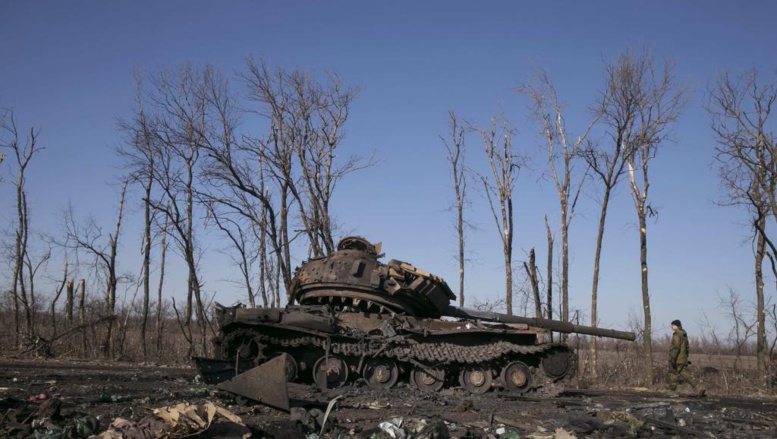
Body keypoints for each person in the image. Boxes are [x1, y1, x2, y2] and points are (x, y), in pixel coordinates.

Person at [667, 319, 706, 397]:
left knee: (672, 373)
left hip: (677, 359)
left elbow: (676, 348)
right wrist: (685, 358)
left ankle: (671, 392)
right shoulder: (684, 335)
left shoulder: (677, 335)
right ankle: (699, 388)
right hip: (682, 359)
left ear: (677, 326)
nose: (671, 326)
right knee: (686, 375)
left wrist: (673, 358)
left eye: (673, 325)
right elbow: (687, 348)